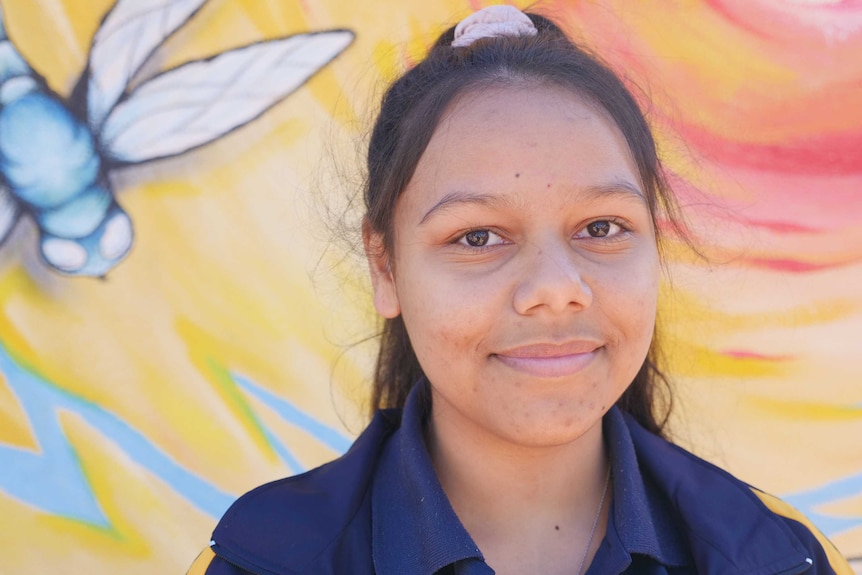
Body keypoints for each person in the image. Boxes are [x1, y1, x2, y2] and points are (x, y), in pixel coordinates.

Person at [188, 6, 853, 575]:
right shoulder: (262, 559)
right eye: (478, 236)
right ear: (385, 266)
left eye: (601, 226)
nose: (556, 289)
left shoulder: (776, 553)